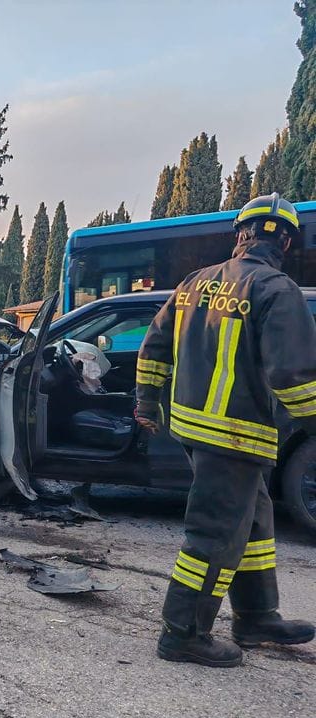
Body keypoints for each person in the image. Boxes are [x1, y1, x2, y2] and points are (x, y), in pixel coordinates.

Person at [135, 193, 316, 667]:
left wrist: (146, 402)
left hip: (195, 430)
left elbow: (153, 346)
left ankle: (256, 615)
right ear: (288, 242)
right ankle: (182, 633)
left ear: (242, 234)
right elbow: (293, 377)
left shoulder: (195, 283)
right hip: (237, 435)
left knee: (253, 523)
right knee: (214, 536)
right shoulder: (277, 290)